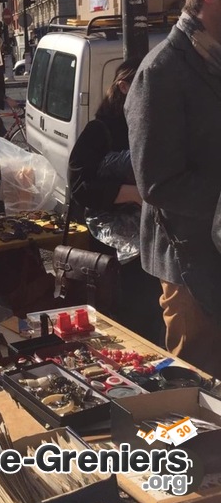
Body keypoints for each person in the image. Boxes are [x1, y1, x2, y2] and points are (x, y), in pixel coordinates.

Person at [125, 0, 221, 377]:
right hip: (189, 263)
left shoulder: (212, 59)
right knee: (196, 379)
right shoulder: (160, 71)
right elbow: (156, 183)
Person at [68, 58, 164, 344]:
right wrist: (131, 194)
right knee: (126, 317)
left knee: (152, 314)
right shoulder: (101, 130)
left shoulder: (153, 125)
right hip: (114, 247)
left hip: (152, 239)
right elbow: (80, 186)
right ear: (123, 87)